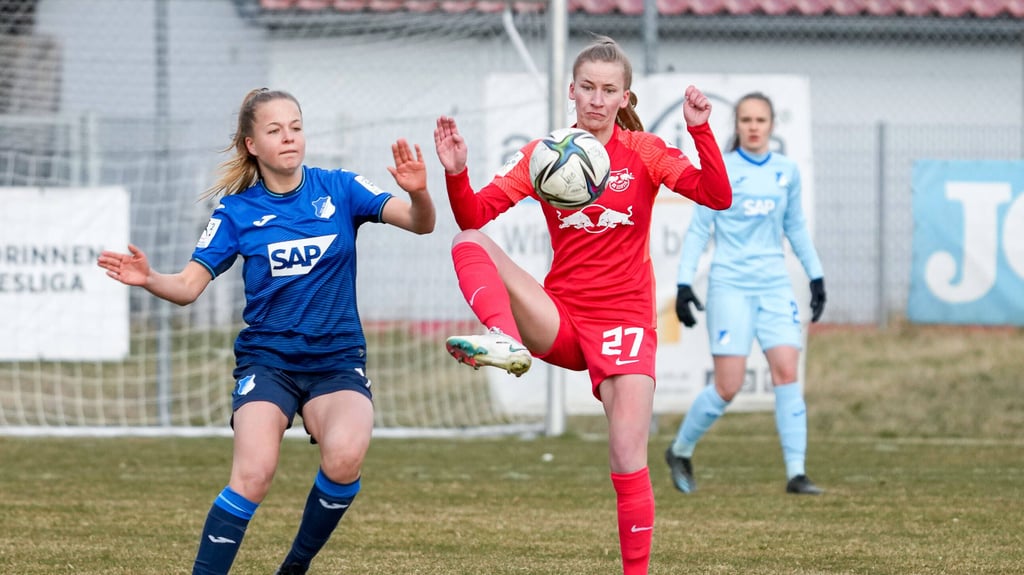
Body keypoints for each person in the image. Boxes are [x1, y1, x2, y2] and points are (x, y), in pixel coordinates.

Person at [97, 88, 435, 575]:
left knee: (345, 458)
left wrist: (419, 192)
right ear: (252, 143)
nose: (289, 137)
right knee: (253, 475)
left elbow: (421, 224)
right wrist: (149, 278)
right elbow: (190, 287)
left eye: (295, 127)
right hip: (268, 363)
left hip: (336, 363)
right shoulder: (235, 212)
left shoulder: (339, 188)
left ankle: (293, 569)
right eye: (275, 130)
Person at [433, 36, 731, 575]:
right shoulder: (544, 155)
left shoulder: (643, 153)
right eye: (587, 87)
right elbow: (472, 214)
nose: (596, 99)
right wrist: (456, 172)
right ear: (571, 91)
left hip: (626, 325)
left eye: (608, 90)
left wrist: (700, 129)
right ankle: (504, 338)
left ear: (624, 97)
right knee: (467, 243)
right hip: (562, 320)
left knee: (625, 456)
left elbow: (717, 195)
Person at [664, 91, 826, 496]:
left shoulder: (787, 171)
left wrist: (817, 276)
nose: (754, 127)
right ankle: (680, 450)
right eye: (746, 120)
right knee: (728, 386)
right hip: (730, 286)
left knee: (787, 371)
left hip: (773, 285)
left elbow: (796, 226)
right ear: (737, 125)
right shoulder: (723, 169)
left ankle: (796, 473)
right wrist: (683, 284)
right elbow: (700, 228)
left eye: (761, 120)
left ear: (772, 125)